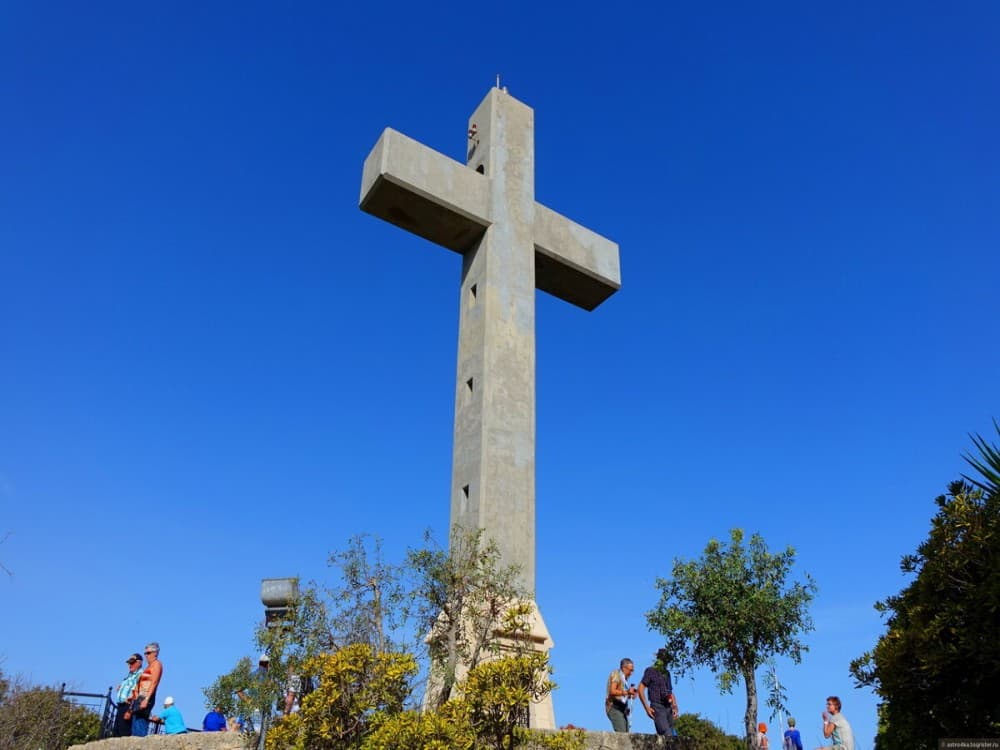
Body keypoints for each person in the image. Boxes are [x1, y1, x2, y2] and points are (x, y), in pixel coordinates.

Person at [637, 655, 678, 736]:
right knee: (666, 733)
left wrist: (674, 706)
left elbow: (670, 691)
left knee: (673, 734)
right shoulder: (650, 671)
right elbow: (640, 689)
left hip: (668, 706)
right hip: (657, 706)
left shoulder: (666, 673)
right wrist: (647, 708)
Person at [131, 641, 164, 737]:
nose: (146, 655)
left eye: (148, 653)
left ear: (155, 653)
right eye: (145, 653)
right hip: (140, 697)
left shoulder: (157, 664)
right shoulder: (148, 666)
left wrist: (146, 699)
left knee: (140, 724)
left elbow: (154, 682)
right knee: (135, 723)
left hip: (146, 696)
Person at [112, 652, 143, 737]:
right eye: (129, 663)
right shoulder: (130, 675)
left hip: (128, 706)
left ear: (139, 663)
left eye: (132, 663)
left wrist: (130, 710)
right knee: (116, 732)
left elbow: (138, 693)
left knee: (123, 732)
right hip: (121, 705)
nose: (130, 665)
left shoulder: (140, 675)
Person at [605, 657, 637, 732]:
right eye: (630, 670)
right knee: (622, 733)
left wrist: (630, 696)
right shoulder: (616, 674)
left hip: (622, 709)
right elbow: (612, 691)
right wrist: (627, 692)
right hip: (614, 707)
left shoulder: (624, 679)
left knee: (627, 733)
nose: (631, 673)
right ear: (624, 668)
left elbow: (621, 695)